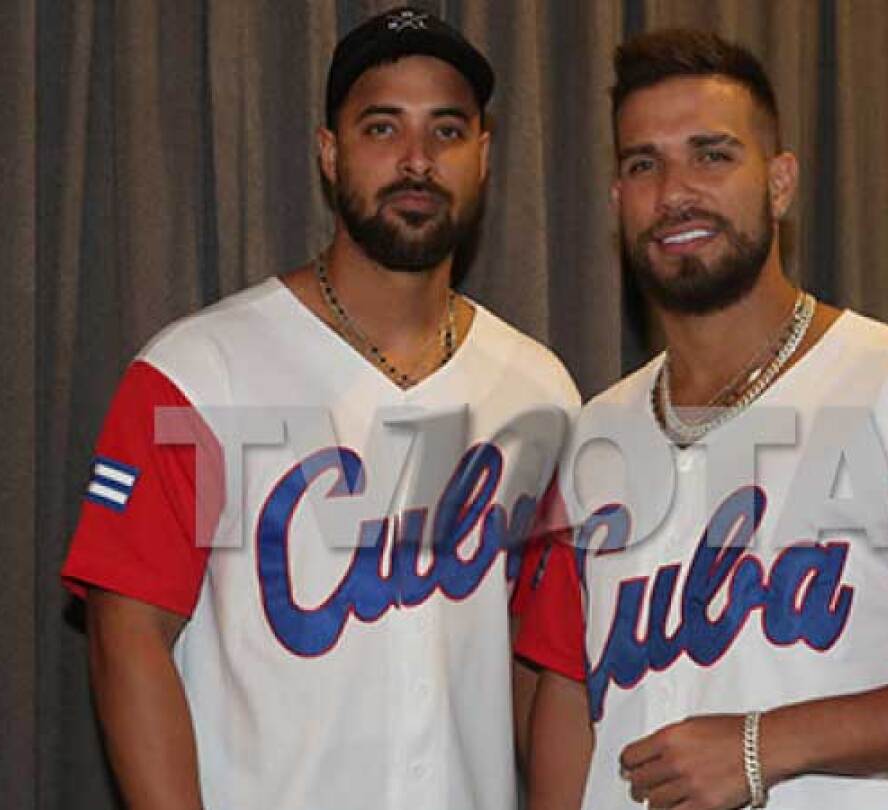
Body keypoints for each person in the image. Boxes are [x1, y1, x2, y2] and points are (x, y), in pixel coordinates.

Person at [515, 29, 888, 810]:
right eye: (643, 163)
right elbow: (567, 690)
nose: (675, 189)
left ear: (779, 183)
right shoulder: (595, 434)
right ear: (618, 202)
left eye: (712, 154)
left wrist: (763, 744)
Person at [60, 8, 578, 809]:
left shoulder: (539, 392)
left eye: (446, 131)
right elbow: (127, 641)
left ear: (483, 156)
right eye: (382, 128)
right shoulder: (199, 373)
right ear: (330, 154)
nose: (416, 160)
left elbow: (541, 664)